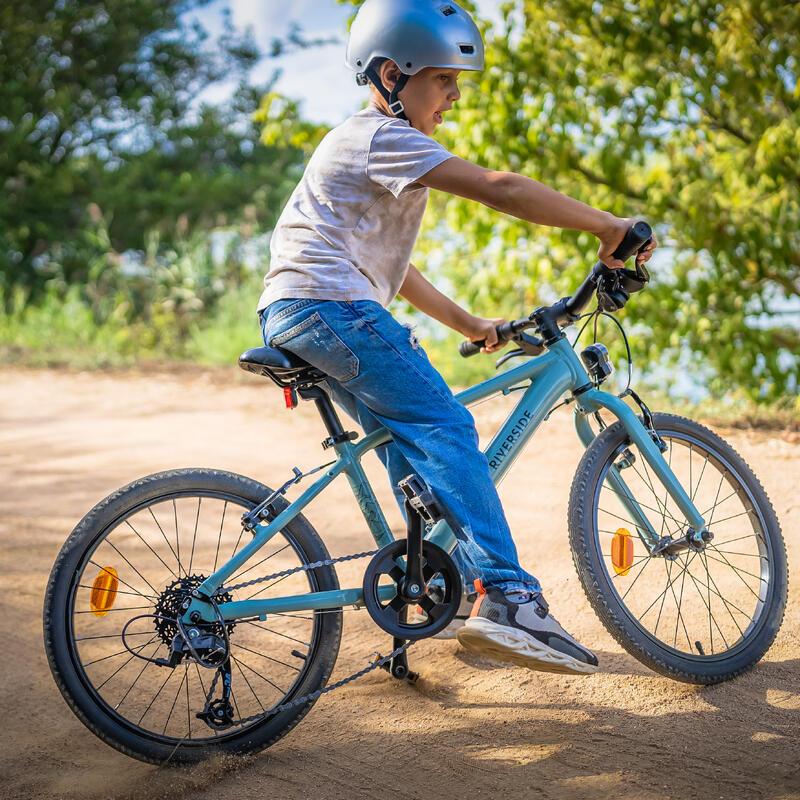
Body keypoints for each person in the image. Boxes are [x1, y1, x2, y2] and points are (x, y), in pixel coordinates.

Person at [256, 0, 656, 675]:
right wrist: (608, 227)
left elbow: (394, 268)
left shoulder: (371, 152)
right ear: (391, 75)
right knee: (443, 422)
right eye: (443, 79)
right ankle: (507, 597)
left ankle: (436, 582)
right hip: (330, 307)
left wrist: (472, 325)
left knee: (408, 444)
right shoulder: (381, 137)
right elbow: (498, 188)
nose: (454, 96)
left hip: (304, 309)